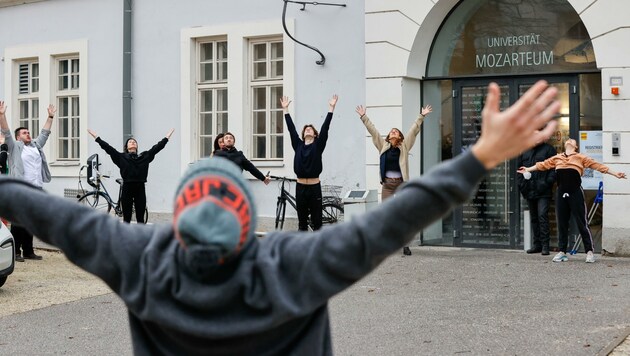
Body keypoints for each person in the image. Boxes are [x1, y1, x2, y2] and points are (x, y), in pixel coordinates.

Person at [0, 81, 560, 354]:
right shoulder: (292, 265)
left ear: (179, 221)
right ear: (249, 223)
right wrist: (482, 155)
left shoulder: (142, 262)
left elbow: (42, 210)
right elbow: (394, 220)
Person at [518, 138, 626, 263]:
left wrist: (616, 173)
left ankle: (589, 251)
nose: (569, 140)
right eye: (568, 140)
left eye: (572, 140)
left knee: (582, 223)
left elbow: (599, 166)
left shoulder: (581, 157)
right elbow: (541, 165)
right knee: (562, 223)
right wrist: (527, 169)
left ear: (576, 146)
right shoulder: (557, 158)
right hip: (561, 193)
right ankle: (562, 252)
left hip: (575, 192)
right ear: (565, 145)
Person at [355, 103, 433, 255]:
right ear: (389, 136)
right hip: (387, 186)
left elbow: (413, 131)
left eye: (396, 131)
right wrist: (364, 117)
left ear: (399, 136)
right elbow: (373, 131)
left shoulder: (404, 146)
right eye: (391, 131)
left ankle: (405, 245)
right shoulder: (382, 145)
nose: (393, 132)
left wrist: (421, 116)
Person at [0, 100, 56, 262]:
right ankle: (16, 251)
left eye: (28, 132)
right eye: (24, 132)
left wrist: (50, 117)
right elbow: (6, 132)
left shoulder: (36, 146)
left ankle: (29, 251)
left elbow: (44, 133)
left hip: (36, 188)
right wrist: (2, 115)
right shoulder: (15, 146)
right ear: (18, 137)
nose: (28, 134)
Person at [87, 128, 175, 223]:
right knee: (127, 219)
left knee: (140, 218)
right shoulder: (121, 157)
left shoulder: (145, 156)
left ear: (136, 146)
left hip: (140, 188)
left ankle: (140, 236)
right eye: (130, 142)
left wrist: (167, 137)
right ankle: (126, 237)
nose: (132, 142)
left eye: (134, 142)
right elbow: (108, 148)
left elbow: (158, 147)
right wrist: (96, 137)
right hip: (127, 188)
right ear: (127, 147)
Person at [280, 94, 338, 231]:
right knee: (302, 223)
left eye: (310, 129)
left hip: (314, 188)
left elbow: (325, 128)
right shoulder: (298, 145)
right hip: (300, 188)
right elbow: (291, 129)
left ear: (315, 134)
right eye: (306, 129)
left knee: (317, 222)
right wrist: (285, 110)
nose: (308, 129)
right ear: (303, 134)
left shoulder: (318, 145)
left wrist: (331, 108)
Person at [517, 141, 557, 255]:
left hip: (543, 190)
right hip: (529, 189)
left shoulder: (549, 149)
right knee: (534, 218)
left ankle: (545, 245)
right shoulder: (524, 150)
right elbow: (519, 170)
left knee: (542, 216)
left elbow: (554, 169)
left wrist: (547, 183)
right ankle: (537, 244)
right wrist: (522, 185)